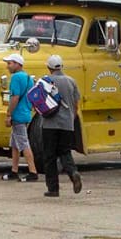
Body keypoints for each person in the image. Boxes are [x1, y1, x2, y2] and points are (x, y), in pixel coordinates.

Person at [35, 53, 83, 196]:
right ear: (62, 66)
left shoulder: (44, 81)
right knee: (65, 152)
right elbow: (76, 104)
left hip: (49, 124)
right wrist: (71, 118)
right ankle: (73, 172)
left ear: (49, 67)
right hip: (67, 124)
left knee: (49, 156)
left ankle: (53, 189)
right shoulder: (71, 81)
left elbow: (37, 101)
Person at [2, 51, 37, 183]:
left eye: (10, 63)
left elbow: (14, 97)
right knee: (15, 143)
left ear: (18, 64)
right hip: (26, 113)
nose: (8, 66)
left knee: (23, 143)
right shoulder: (28, 77)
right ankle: (14, 170)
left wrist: (9, 114)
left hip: (18, 115)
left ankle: (33, 171)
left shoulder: (16, 78)